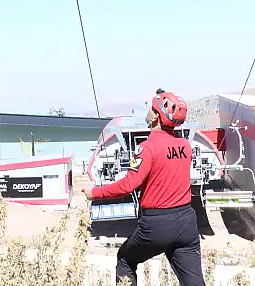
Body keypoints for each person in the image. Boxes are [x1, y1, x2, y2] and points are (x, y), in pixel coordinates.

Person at [86, 91, 204, 286]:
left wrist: (95, 193)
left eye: (151, 108)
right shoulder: (185, 146)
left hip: (157, 225)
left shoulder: (146, 148)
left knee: (125, 260)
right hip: (187, 223)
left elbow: (128, 185)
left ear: (156, 116)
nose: (147, 112)